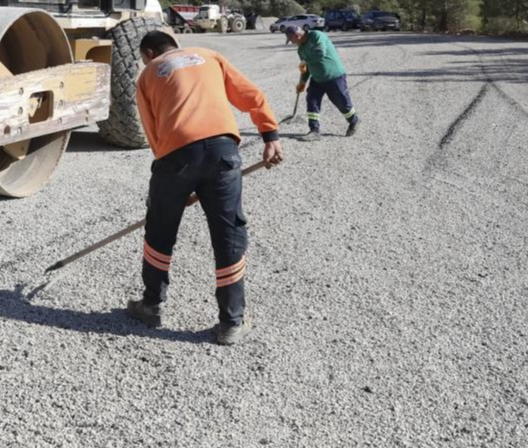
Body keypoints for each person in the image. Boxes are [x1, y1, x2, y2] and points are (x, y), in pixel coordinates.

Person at [128, 30, 284, 345]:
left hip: (175, 155)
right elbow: (250, 95)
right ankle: (231, 323)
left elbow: (152, 130)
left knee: (160, 230)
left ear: (148, 52)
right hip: (223, 152)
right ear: (175, 45)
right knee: (228, 235)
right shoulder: (209, 56)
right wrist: (270, 135)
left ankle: (151, 306)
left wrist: (175, 181)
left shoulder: (147, 75)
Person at [285, 24, 359, 139]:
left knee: (341, 102)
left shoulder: (316, 35)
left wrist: (305, 62)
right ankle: (314, 130)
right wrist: (302, 82)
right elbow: (306, 68)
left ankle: (354, 120)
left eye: (291, 39)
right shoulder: (301, 49)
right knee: (312, 100)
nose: (291, 42)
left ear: (297, 35)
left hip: (333, 76)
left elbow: (320, 53)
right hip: (317, 79)